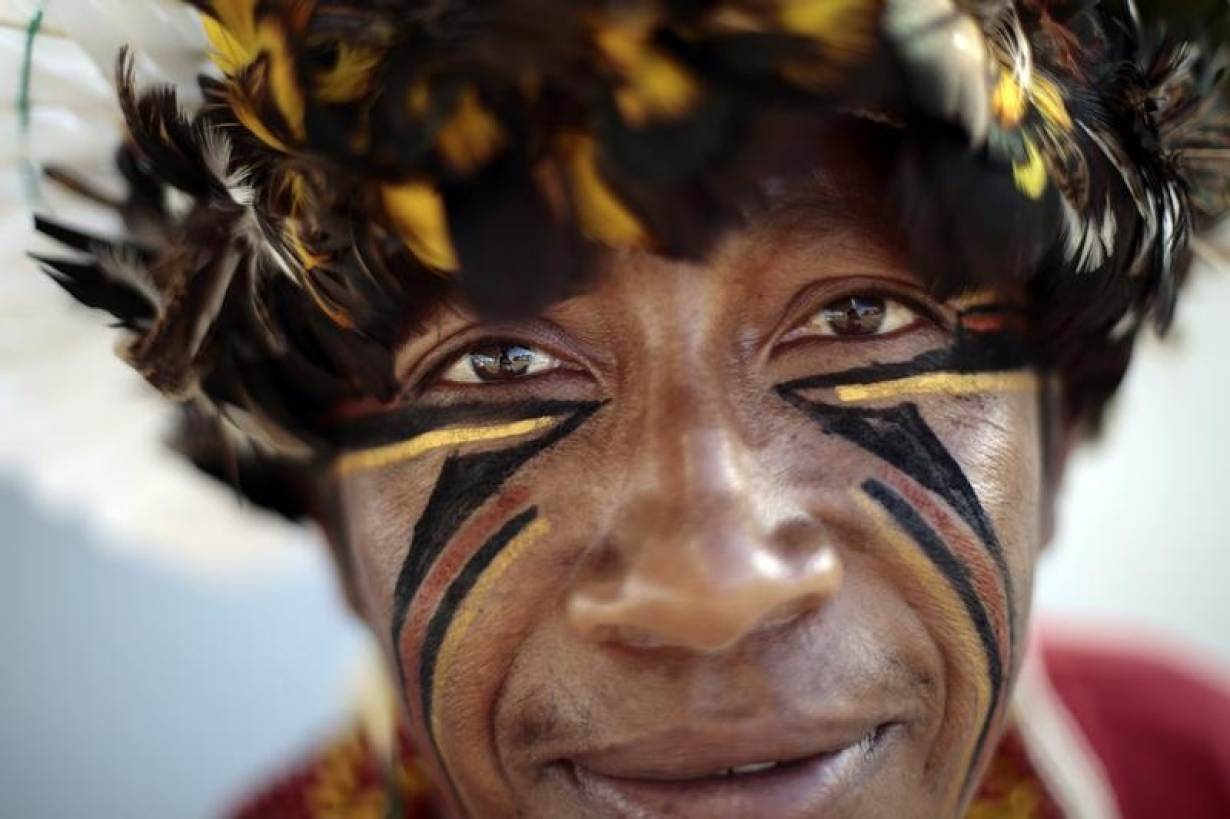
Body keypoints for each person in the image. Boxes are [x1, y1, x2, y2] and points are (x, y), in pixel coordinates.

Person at [28, 0, 1230, 816]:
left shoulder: (1191, 766)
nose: (712, 588)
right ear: (330, 521)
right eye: (497, 365)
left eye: (857, 318)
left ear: (1055, 441)